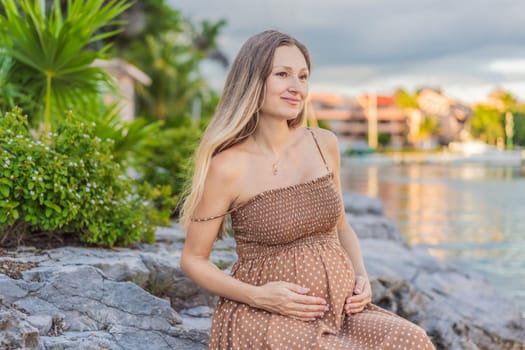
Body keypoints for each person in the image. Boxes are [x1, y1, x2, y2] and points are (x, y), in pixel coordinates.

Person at [180, 30, 435, 349]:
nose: (296, 87)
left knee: (413, 339)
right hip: (266, 315)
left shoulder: (323, 144)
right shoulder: (228, 166)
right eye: (282, 74)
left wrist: (361, 276)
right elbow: (193, 259)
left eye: (303, 77)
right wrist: (260, 296)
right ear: (252, 81)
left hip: (341, 312)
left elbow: (341, 226)